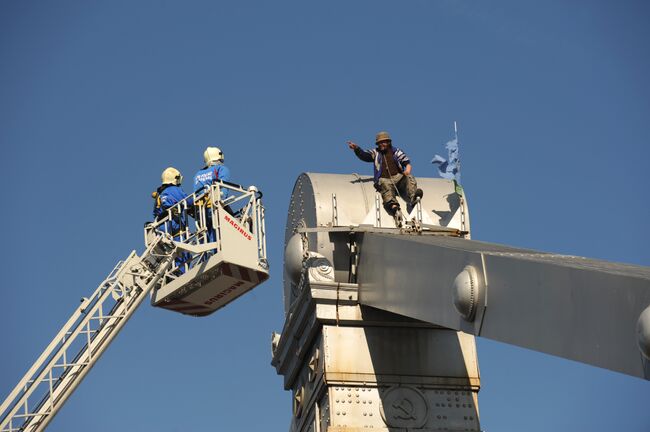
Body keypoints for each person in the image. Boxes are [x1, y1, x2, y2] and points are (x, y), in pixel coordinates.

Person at [347, 131, 422, 227]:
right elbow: (364, 155)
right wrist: (356, 149)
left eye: (383, 142)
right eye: (379, 143)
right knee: (384, 185)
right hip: (384, 179)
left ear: (388, 142)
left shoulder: (396, 151)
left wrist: (407, 171)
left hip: (398, 177)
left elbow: (407, 163)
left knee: (410, 178)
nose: (381, 144)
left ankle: (413, 198)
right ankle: (395, 208)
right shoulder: (376, 153)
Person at [152, 167, 192, 272]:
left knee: (168, 261)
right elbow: (188, 201)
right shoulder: (174, 190)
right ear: (176, 178)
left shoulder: (160, 195)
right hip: (175, 231)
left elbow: (155, 213)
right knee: (183, 256)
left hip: (162, 232)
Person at [193, 147, 231, 243]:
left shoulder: (198, 174)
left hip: (200, 211)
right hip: (214, 206)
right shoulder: (221, 169)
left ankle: (207, 255)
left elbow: (196, 192)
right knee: (218, 236)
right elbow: (223, 186)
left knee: (205, 237)